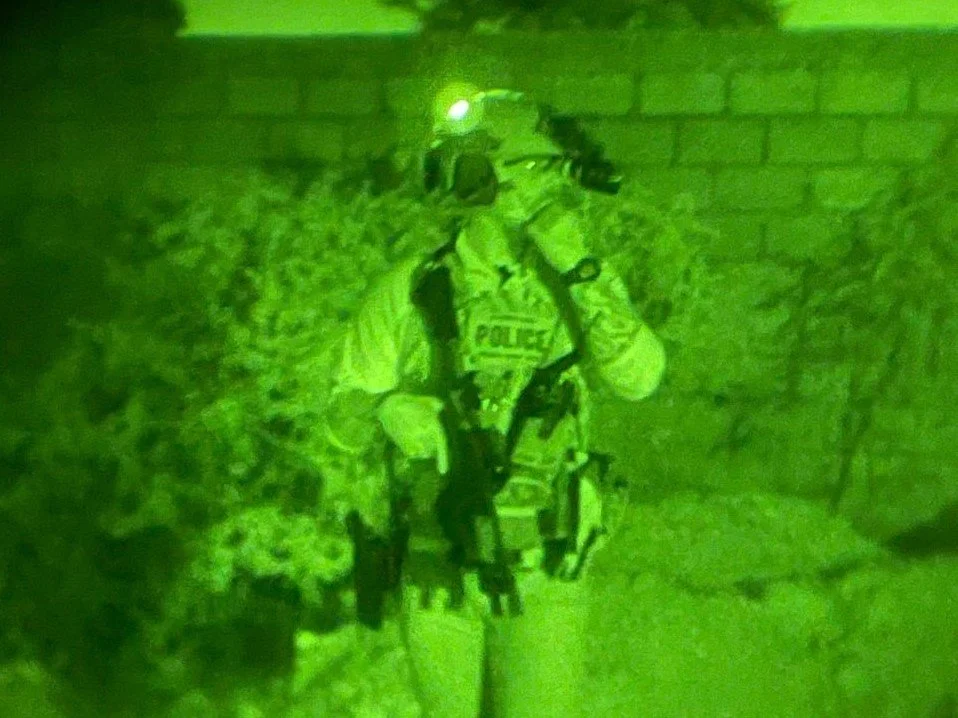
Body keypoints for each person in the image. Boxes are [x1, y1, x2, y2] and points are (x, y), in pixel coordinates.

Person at [320, 84, 666, 718]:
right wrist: (384, 410)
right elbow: (338, 421)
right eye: (535, 171)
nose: (552, 188)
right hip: (436, 566)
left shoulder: (577, 282)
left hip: (546, 563)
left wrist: (577, 263)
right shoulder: (412, 289)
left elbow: (640, 378)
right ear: (484, 181)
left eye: (553, 172)